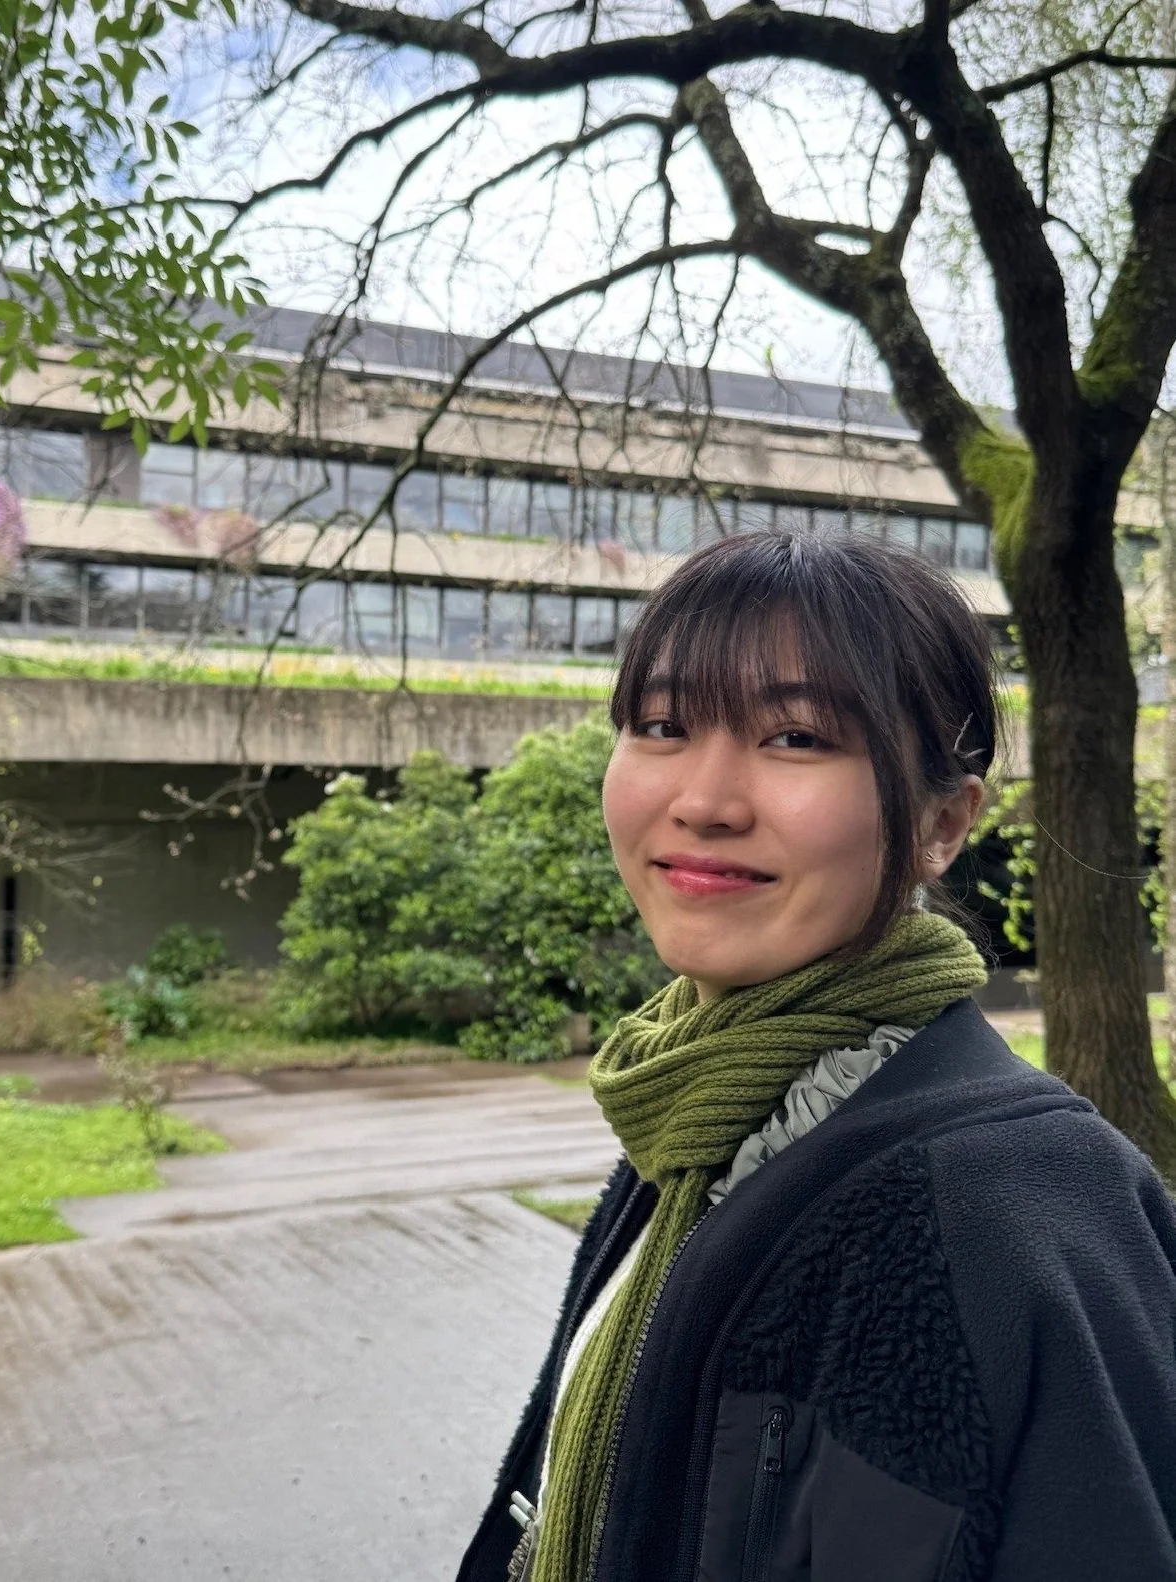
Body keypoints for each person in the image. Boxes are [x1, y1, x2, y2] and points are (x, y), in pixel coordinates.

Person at [455, 531, 1176, 1582]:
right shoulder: (691, 1114)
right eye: (661, 724)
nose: (703, 798)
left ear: (940, 823)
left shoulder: (1009, 1207)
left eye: (794, 738)